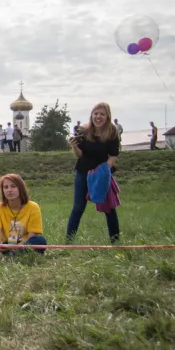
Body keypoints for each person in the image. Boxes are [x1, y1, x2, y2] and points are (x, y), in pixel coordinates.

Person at [67, 102, 121, 244]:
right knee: (78, 208)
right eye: (95, 113)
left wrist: (103, 171)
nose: (98, 117)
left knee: (109, 208)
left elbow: (113, 155)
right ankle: (68, 242)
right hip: (83, 173)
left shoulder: (112, 132)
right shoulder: (84, 131)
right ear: (91, 115)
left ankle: (115, 242)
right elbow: (79, 155)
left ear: (107, 116)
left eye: (102, 114)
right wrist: (74, 146)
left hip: (102, 175)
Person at [0, 174, 48, 256]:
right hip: (3, 246)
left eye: (13, 186)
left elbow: (32, 235)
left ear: (20, 189)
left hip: (22, 245)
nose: (9, 190)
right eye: (5, 187)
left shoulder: (33, 207)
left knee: (39, 240)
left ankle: (13, 255)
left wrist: (15, 247)